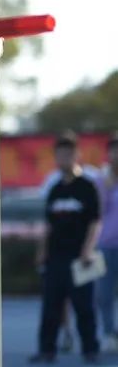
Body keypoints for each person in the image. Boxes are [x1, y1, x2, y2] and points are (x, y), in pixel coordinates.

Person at [30, 133, 101, 364]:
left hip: (80, 258)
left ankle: (90, 349)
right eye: (60, 154)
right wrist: (42, 250)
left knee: (84, 307)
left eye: (69, 154)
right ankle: (46, 349)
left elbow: (95, 221)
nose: (64, 158)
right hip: (56, 258)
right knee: (51, 306)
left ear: (76, 156)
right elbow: (48, 224)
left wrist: (88, 249)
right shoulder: (55, 190)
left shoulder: (87, 187)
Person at [95, 134, 118, 350]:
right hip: (106, 245)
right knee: (104, 294)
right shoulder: (101, 181)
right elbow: (97, 213)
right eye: (114, 150)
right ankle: (110, 333)